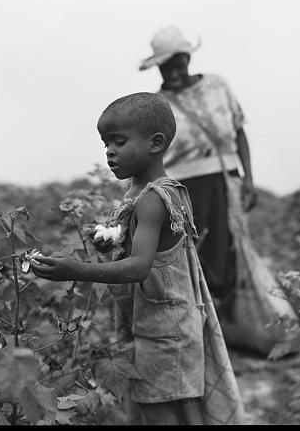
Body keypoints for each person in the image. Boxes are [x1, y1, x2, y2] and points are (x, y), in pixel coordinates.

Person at [31, 92, 245, 425]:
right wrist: (111, 243)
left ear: (155, 143)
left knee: (157, 408)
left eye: (119, 142)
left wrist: (75, 270)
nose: (109, 151)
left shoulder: (153, 199)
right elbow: (148, 250)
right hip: (158, 321)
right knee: (165, 405)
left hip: (167, 329)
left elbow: (140, 267)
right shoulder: (138, 192)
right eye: (106, 144)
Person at [137, 26, 258, 321]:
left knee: (229, 251)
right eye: (166, 67)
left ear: (188, 59)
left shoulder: (217, 85)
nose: (174, 73)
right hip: (183, 187)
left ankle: (230, 323)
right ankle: (201, 322)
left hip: (225, 179)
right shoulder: (157, 105)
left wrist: (249, 179)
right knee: (195, 254)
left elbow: (239, 131)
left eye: (178, 64)